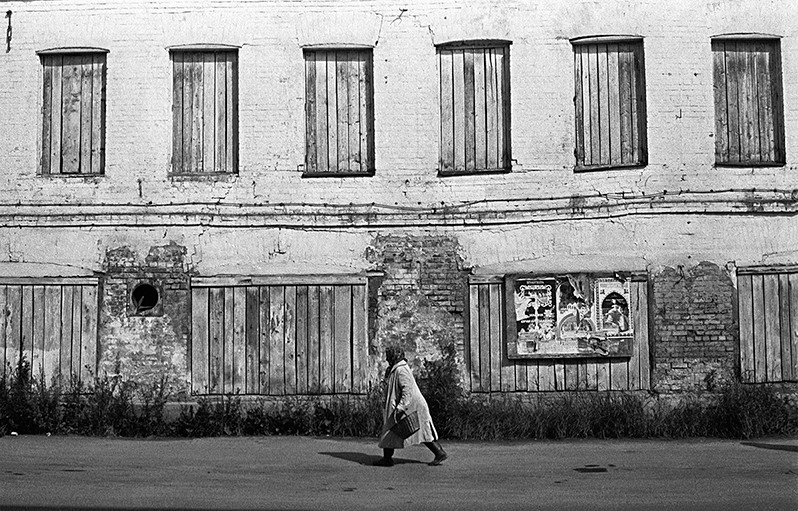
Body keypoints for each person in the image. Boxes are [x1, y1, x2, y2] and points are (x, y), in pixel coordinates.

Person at [374, 346, 448, 467]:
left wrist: (401, 407)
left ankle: (439, 452)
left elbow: (407, 390)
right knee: (402, 430)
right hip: (410, 405)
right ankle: (387, 458)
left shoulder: (401, 370)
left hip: (411, 406)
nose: (387, 358)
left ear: (394, 356)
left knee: (414, 430)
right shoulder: (397, 368)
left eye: (389, 355)